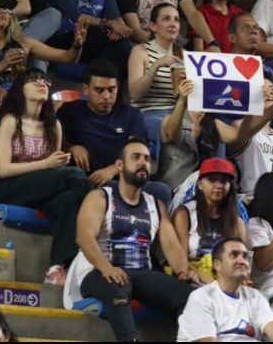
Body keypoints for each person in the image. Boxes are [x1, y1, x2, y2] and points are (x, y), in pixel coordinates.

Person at [65, 138, 198, 342]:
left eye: (146, 158)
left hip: (139, 274)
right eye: (135, 157)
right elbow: (84, 238)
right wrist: (106, 268)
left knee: (189, 296)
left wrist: (182, 270)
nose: (143, 162)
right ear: (119, 165)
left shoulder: (156, 205)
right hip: (98, 273)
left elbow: (171, 245)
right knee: (119, 287)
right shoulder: (100, 197)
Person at [0, 69, 91, 285]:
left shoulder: (54, 127)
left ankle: (56, 268)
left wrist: (57, 164)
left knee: (69, 200)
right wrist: (48, 164)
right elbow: (4, 169)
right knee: (76, 176)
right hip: (7, 188)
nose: (41, 83)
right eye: (33, 80)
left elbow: (52, 172)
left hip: (39, 189)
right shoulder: (10, 120)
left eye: (44, 80)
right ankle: (88, 245)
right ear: (20, 90)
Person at [177, 237, 273, 341]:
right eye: (234, 255)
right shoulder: (202, 297)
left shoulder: (256, 297)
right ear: (217, 265)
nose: (242, 261)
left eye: (244, 256)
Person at [57, 60, 149, 185]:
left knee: (162, 189)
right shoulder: (69, 111)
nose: (106, 96)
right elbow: (53, 143)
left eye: (112, 90)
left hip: (121, 178)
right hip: (83, 178)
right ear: (85, 89)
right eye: (99, 90)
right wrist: (71, 148)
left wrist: (113, 169)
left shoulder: (131, 114)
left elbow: (138, 152)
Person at [0, 0, 86, 91]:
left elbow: (68, 57)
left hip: (18, 100)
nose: (3, 12)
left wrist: (77, 45)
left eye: (6, 9)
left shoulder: (22, 42)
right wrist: (2, 66)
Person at [172, 157, 246, 284]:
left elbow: (242, 262)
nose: (218, 185)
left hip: (226, 281)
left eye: (224, 181)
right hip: (192, 279)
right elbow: (180, 259)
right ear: (200, 184)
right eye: (211, 180)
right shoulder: (184, 214)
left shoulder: (237, 223)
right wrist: (212, 283)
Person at [127, 3, 182, 158]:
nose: (173, 24)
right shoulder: (140, 51)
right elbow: (135, 94)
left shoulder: (184, 55)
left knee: (213, 126)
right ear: (153, 26)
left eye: (177, 20)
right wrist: (155, 66)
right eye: (166, 19)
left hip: (176, 113)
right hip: (147, 114)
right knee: (173, 126)